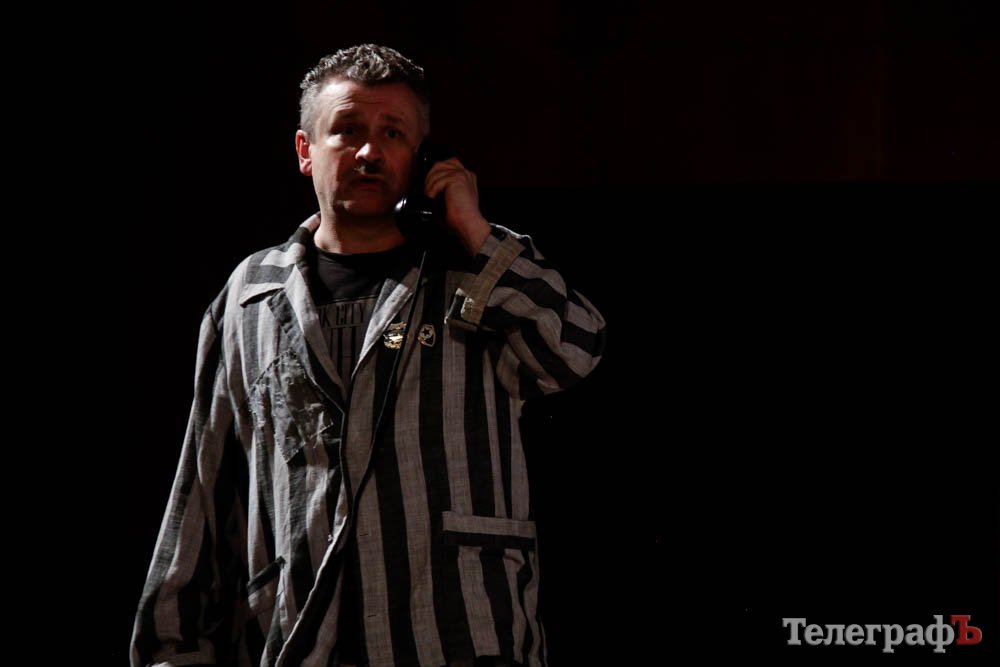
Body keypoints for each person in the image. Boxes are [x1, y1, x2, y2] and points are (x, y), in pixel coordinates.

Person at [131, 44, 606, 667]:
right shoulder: (250, 297)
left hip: (460, 640)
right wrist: (172, 650)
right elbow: (203, 487)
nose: (368, 152)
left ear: (424, 157)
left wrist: (476, 233)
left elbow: (574, 352)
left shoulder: (473, 269)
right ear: (305, 150)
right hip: (299, 639)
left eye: (393, 133)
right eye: (347, 130)